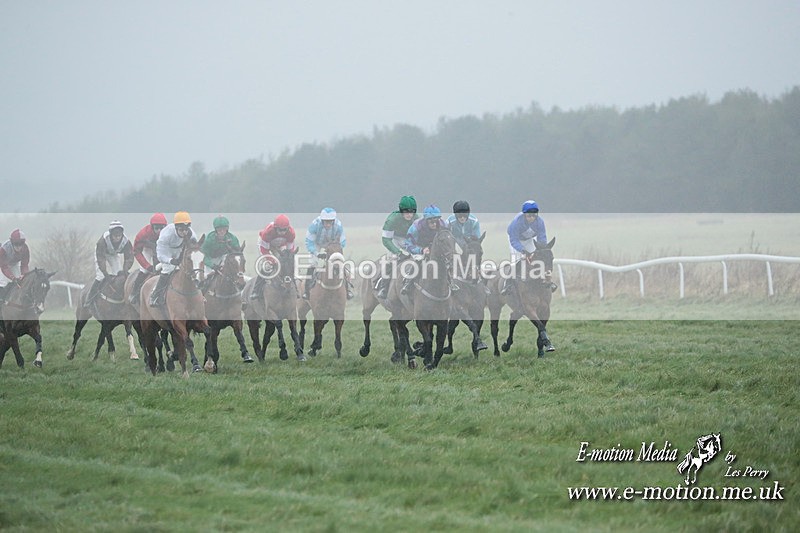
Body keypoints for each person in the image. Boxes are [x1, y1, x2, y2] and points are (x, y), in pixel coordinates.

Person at [503, 200, 556, 294]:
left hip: (529, 240)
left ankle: (547, 281)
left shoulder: (540, 222)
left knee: (540, 258)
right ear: (524, 215)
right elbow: (514, 240)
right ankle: (508, 284)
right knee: (516, 261)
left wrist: (542, 249)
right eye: (529, 216)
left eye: (534, 215)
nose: (531, 218)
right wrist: (522, 250)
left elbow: (542, 238)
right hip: (516, 240)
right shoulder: (516, 222)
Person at [150, 211, 199, 307]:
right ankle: (155, 294)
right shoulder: (166, 235)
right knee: (168, 269)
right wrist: (170, 261)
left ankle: (199, 293)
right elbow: (160, 255)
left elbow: (194, 250)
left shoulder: (192, 234)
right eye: (181, 230)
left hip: (181, 250)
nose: (184, 233)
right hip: (166, 251)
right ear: (176, 227)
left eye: (186, 230)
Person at [374, 195, 419, 299]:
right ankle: (383, 286)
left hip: (409, 240)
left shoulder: (417, 219)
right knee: (393, 259)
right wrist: (397, 251)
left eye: (412, 211)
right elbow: (386, 240)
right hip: (394, 239)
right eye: (406, 211)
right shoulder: (392, 219)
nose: (409, 214)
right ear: (400, 210)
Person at [303, 207, 352, 299]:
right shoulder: (314, 225)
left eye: (330, 222)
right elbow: (309, 242)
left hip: (332, 244)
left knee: (340, 263)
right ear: (322, 221)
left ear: (333, 221)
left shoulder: (338, 225)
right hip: (316, 243)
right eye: (325, 221)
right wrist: (316, 253)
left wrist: (334, 250)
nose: (328, 224)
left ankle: (347, 290)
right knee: (313, 263)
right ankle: (306, 291)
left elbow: (342, 242)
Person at [400, 204, 449, 295]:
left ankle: (452, 283)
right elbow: (408, 244)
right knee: (418, 260)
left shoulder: (444, 225)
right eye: (431, 221)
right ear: (426, 220)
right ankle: (407, 283)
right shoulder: (416, 227)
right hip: (420, 248)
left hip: (438, 250)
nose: (434, 224)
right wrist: (421, 250)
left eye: (436, 220)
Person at [85, 221, 134, 307]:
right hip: (101, 254)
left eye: (119, 235)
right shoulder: (103, 241)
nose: (118, 238)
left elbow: (129, 257)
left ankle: (119, 297)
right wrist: (105, 274)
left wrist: (125, 270)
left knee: (118, 276)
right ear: (111, 234)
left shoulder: (126, 241)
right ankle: (89, 298)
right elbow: (101, 258)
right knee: (100, 276)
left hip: (113, 254)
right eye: (115, 236)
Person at [250, 214, 297, 299]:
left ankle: (295, 288)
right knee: (267, 266)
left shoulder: (291, 233)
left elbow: (290, 251)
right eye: (280, 230)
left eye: (284, 230)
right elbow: (264, 250)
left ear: (288, 228)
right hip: (265, 245)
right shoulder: (268, 232)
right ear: (275, 228)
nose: (282, 232)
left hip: (280, 246)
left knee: (288, 264)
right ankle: (256, 290)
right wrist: (273, 261)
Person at [129, 213, 168, 305]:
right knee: (144, 270)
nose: (159, 231)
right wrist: (147, 266)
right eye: (156, 228)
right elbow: (136, 251)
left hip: (161, 249)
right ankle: (134, 292)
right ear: (152, 227)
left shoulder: (168, 233)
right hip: (147, 249)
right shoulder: (143, 234)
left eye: (161, 228)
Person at [200, 215, 240, 290]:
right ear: (216, 230)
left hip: (223, 258)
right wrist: (212, 265)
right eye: (219, 229)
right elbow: (203, 256)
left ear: (227, 229)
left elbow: (237, 253)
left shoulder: (232, 238)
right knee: (204, 278)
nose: (222, 231)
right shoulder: (208, 239)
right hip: (209, 260)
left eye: (224, 229)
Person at [0, 229, 30, 306]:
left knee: (20, 283)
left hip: (14, 264)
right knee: (3, 283)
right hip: (3, 265)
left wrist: (23, 275)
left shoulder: (25, 249)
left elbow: (24, 265)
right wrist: (12, 277)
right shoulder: (4, 249)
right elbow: (4, 267)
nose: (19, 247)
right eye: (16, 244)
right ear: (11, 242)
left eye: (21, 244)